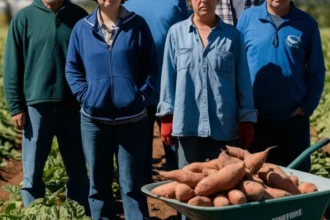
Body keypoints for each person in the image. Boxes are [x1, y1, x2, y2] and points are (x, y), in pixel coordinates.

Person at [65, 0, 157, 218]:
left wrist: (140, 95)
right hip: (94, 121)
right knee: (98, 186)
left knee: (132, 185)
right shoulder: (82, 28)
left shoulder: (138, 25)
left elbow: (151, 66)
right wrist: (85, 96)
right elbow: (72, 68)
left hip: (132, 119)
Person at [3, 0, 90, 214]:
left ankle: (76, 214)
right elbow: (12, 65)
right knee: (32, 173)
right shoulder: (25, 18)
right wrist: (15, 107)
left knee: (78, 169)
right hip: (36, 108)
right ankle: (35, 214)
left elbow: (89, 60)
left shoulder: (78, 16)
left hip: (72, 107)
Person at [156, 0, 257, 171]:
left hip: (223, 125)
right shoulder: (176, 33)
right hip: (188, 124)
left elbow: (243, 82)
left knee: (225, 186)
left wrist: (246, 119)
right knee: (190, 186)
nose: (203, 1)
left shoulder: (233, 36)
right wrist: (167, 117)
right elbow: (168, 77)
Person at [237, 0, 325, 172]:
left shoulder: (307, 24)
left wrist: (306, 108)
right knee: (255, 181)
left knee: (295, 180)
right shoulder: (248, 18)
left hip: (293, 121)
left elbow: (317, 72)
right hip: (255, 120)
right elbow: (236, 65)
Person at [123, 0, 190, 181]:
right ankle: (141, 203)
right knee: (139, 155)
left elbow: (187, 35)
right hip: (139, 92)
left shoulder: (176, 2)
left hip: (172, 92)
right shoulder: (127, 4)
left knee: (175, 153)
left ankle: (179, 203)